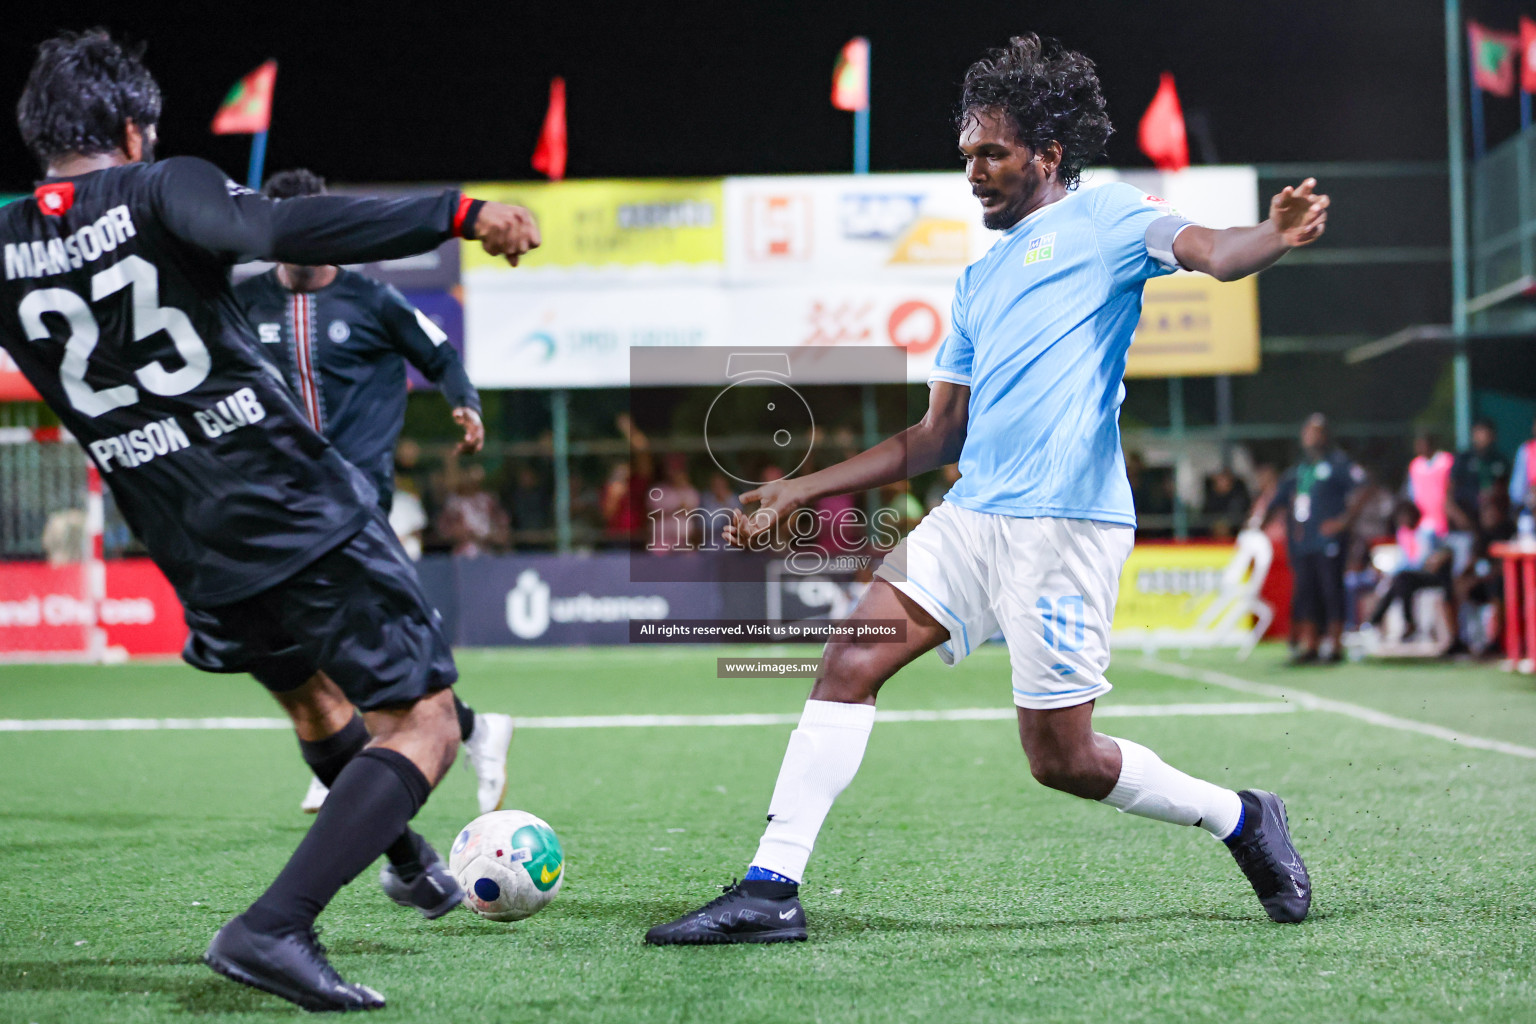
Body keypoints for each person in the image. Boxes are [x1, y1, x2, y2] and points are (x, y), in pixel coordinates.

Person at [644, 34, 1326, 946]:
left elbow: (1215, 252)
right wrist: (801, 487)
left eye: (990, 153)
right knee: (849, 662)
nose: (973, 170)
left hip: (1064, 527)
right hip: (971, 516)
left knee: (1063, 759)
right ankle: (772, 890)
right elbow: (935, 436)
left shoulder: (1113, 217)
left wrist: (1272, 237)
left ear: (1045, 156)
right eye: (966, 154)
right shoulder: (975, 281)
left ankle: (1240, 817)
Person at [1, 31, 538, 1010]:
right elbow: (278, 231)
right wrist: (457, 212)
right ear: (132, 129)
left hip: (178, 529)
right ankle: (273, 926)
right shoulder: (160, 187)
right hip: (284, 496)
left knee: (316, 704)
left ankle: (412, 864)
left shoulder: (4, 238)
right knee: (423, 724)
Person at [235, 169, 513, 818]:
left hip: (357, 492)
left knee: (341, 619)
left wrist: (465, 405)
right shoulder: (248, 305)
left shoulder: (373, 299)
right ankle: (471, 728)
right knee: (336, 624)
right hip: (285, 495)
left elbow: (439, 353)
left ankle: (359, 751)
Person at [1272, 414, 1367, 664]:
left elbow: (1364, 488)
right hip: (1304, 542)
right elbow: (1281, 498)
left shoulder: (1338, 463)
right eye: (1307, 432)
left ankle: (1335, 646)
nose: (1311, 438)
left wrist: (1344, 521)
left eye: (1316, 432)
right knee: (1307, 592)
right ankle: (1310, 645)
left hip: (1328, 541)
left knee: (1330, 590)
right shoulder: (1302, 468)